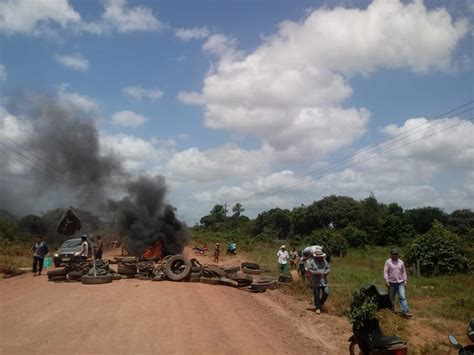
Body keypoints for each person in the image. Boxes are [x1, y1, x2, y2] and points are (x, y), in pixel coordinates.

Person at [384, 248, 412, 318]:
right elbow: (385, 272)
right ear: (391, 254)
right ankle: (391, 311)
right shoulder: (388, 262)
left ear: (398, 254)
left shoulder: (401, 262)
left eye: (396, 254)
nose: (395, 255)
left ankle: (405, 311)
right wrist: (386, 280)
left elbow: (404, 272)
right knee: (391, 298)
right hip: (391, 283)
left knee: (402, 296)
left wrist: (405, 281)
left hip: (400, 282)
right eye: (394, 254)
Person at [306, 249, 330, 314]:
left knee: (326, 292)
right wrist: (315, 273)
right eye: (318, 256)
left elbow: (328, 268)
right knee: (316, 295)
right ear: (316, 256)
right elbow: (309, 269)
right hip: (316, 281)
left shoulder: (324, 261)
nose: (320, 257)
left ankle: (320, 303)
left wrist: (327, 272)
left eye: (321, 256)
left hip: (324, 281)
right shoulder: (312, 262)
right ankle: (318, 307)